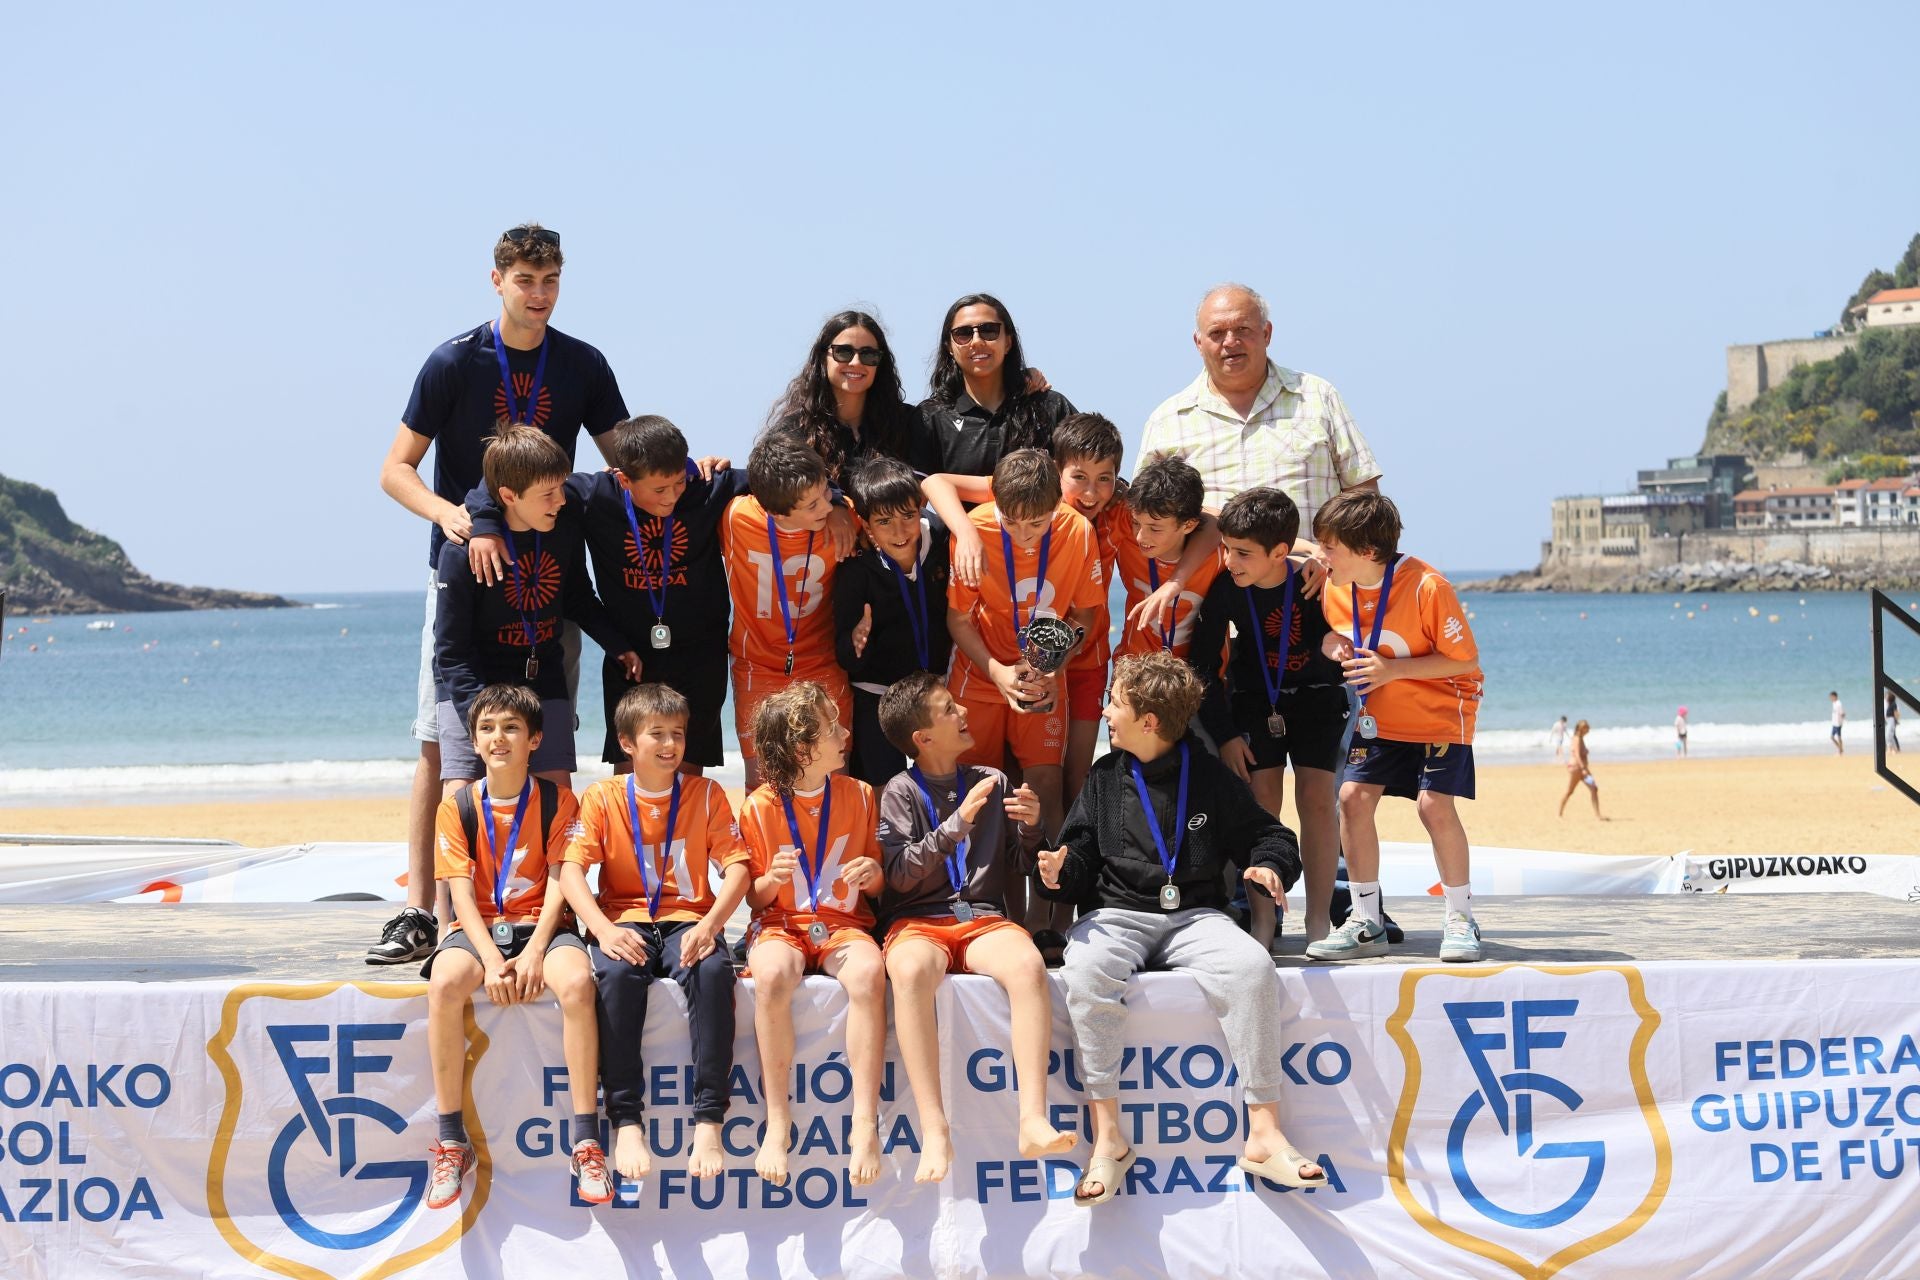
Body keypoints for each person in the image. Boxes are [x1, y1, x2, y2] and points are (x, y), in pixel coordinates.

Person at [374, 223, 628, 966]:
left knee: (547, 741)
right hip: (467, 567)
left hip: (548, 574)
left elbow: (624, 465)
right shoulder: (454, 360)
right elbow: (394, 469)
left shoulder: (582, 363)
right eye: (525, 280)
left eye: (550, 281)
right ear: (497, 281)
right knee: (443, 744)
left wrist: (699, 476)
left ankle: (557, 906)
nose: (539, 294)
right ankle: (423, 909)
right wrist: (454, 515)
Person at [1036, 653, 1323, 1204]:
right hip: (1116, 915)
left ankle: (1264, 1135)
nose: (1105, 712)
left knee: (1251, 966)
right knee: (1087, 971)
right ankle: (1108, 1140)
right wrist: (1057, 872)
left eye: (1115, 703)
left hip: (1195, 916)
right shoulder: (1104, 777)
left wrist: (1269, 865)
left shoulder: (1209, 776)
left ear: (1149, 722)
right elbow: (1079, 859)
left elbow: (1271, 836)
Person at [872, 673, 1072, 1183]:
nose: (963, 712)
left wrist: (1033, 829)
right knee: (910, 972)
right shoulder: (899, 791)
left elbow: (1020, 864)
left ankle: (1032, 1118)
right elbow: (899, 875)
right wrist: (954, 825)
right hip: (918, 920)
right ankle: (934, 1128)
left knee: (1027, 965)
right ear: (923, 738)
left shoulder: (992, 778)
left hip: (981, 917)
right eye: (949, 709)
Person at [420, 684, 609, 1209]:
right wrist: (491, 959)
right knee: (444, 984)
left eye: (511, 728)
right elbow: (460, 892)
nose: (498, 738)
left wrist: (533, 952)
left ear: (535, 739)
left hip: (541, 926)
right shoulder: (456, 806)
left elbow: (561, 880)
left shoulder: (558, 800)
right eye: (487, 728)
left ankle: (586, 1142)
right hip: (480, 928)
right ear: (474, 741)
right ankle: (452, 1142)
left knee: (577, 983)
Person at [468, 416, 742, 777]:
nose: (672, 496)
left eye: (678, 482)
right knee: (629, 782)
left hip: (701, 658)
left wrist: (706, 468)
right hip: (631, 659)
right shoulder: (594, 496)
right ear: (624, 479)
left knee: (686, 781)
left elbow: (781, 475)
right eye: (659, 489)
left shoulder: (706, 486)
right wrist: (485, 524)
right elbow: (507, 482)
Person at [560, 683, 751, 1182]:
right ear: (627, 742)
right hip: (625, 921)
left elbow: (738, 869)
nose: (670, 744)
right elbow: (571, 872)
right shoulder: (602, 796)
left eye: (678, 734)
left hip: (689, 920)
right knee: (616, 977)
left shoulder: (706, 793)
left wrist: (712, 925)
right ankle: (626, 1121)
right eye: (657, 734)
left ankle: (709, 1120)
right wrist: (602, 930)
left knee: (713, 972)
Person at [1308, 490, 1486, 965]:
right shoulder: (1336, 585)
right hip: (1381, 717)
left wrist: (1392, 671)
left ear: (1367, 551)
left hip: (1441, 714)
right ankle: (1366, 922)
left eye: (1329, 547)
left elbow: (1465, 659)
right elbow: (1337, 631)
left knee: (1434, 807)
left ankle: (1461, 918)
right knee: (1352, 798)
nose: (1320, 555)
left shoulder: (1428, 586)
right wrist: (1333, 645)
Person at [944, 448, 1105, 950]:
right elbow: (957, 620)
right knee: (978, 793)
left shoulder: (1078, 531)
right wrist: (996, 671)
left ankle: (1046, 915)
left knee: (1044, 789)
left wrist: (1056, 662)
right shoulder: (975, 529)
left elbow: (1086, 615)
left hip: (1042, 678)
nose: (1023, 535)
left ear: (1057, 505)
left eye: (1036, 524)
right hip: (979, 676)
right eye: (1011, 522)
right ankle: (991, 910)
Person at [737, 682, 888, 1187]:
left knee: (869, 974)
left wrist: (873, 873)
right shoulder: (759, 806)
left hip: (843, 925)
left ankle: (864, 1122)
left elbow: (878, 883)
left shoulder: (860, 794)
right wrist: (770, 880)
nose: (845, 735)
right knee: (772, 974)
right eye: (832, 729)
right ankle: (777, 1122)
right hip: (781, 924)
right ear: (803, 749)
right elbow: (753, 898)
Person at [432, 426, 637, 791]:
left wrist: (617, 644)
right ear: (509, 495)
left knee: (556, 794)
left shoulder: (562, 528)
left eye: (561, 488)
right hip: (474, 681)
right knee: (462, 790)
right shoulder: (461, 552)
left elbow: (577, 596)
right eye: (548, 494)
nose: (561, 500)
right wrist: (482, 721)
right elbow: (451, 652)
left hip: (541, 676)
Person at [1187, 487, 1347, 949]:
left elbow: (1358, 620)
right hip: (1256, 703)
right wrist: (1226, 735)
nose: (1229, 561)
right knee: (1261, 804)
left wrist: (1339, 630)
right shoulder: (1225, 589)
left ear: (1280, 552)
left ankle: (1318, 921)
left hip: (1318, 700)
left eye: (1242, 553)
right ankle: (1263, 921)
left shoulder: (1317, 582)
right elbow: (1202, 669)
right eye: (1226, 548)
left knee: (1317, 801)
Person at [1138, 283, 1379, 528]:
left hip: (1311, 553)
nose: (1230, 342)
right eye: (1217, 333)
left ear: (1266, 333)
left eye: (1242, 329)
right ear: (1198, 343)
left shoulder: (1317, 397)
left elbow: (1363, 494)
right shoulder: (1168, 420)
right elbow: (1142, 516)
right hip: (1211, 555)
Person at [722, 435, 856, 790]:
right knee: (763, 784)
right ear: (777, 512)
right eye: (812, 506)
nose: (824, 507)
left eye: (825, 492)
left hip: (822, 662)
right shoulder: (736, 517)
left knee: (833, 776)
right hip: (757, 665)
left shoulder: (845, 518)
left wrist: (838, 502)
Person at [833, 457, 953, 786]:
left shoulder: (942, 538)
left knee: (943, 784)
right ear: (865, 524)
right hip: (877, 694)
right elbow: (845, 655)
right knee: (883, 789)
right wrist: (855, 643)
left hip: (935, 690)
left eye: (908, 516)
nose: (899, 532)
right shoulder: (855, 569)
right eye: (884, 521)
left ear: (921, 507)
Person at [766, 309, 937, 483]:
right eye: (843, 352)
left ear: (880, 363)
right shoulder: (794, 431)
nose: (856, 362)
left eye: (868, 354)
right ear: (823, 358)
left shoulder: (909, 424)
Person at [919, 293, 1078, 478]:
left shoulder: (1051, 407)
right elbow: (915, 490)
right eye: (963, 334)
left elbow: (1093, 467)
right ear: (949, 347)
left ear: (1008, 342)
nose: (977, 341)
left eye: (989, 330)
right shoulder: (930, 418)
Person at [1558, 719, 1605, 819]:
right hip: (1577, 769)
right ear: (1581, 729)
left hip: (1582, 769)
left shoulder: (1580, 738)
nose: (1588, 730)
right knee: (1570, 791)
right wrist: (1583, 768)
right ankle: (1559, 813)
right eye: (1586, 728)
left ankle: (1597, 815)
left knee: (1594, 788)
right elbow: (1577, 755)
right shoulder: (1577, 739)